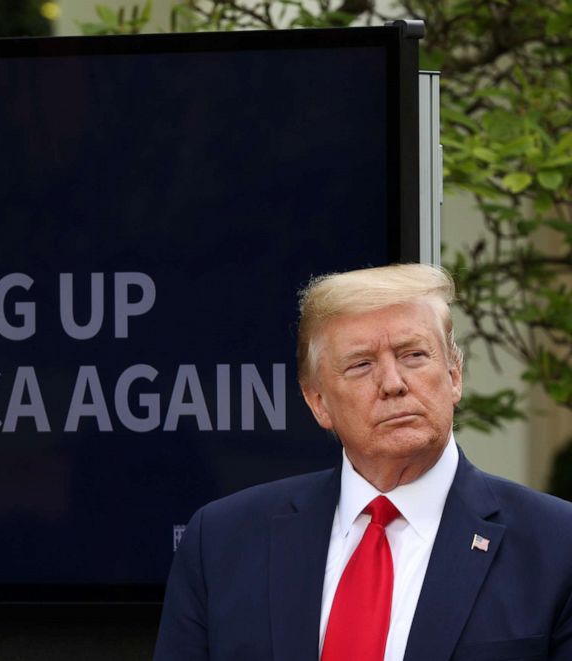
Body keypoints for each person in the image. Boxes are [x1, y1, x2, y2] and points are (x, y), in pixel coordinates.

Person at [153, 263, 572, 661]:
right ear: (318, 402)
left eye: (413, 355)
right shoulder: (223, 542)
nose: (393, 383)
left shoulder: (556, 544)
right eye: (361, 365)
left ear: (454, 375)